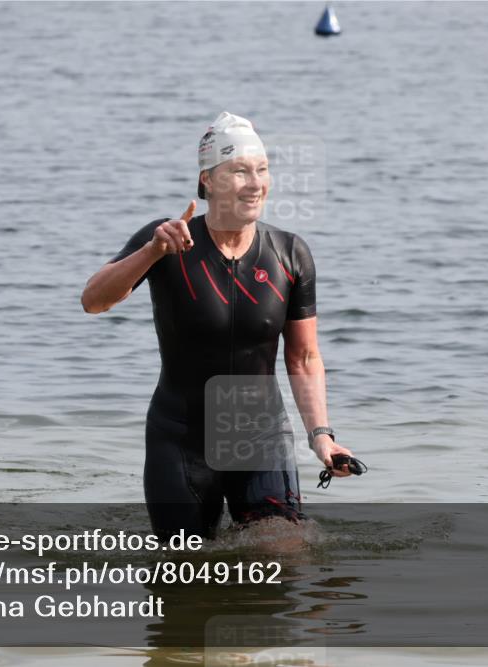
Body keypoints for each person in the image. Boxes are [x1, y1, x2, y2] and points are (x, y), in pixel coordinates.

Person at [81, 112, 356, 539]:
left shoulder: (289, 253)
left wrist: (321, 436)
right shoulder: (167, 240)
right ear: (207, 180)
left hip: (261, 436)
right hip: (180, 437)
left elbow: (303, 358)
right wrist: (152, 251)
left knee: (282, 550)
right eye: (239, 171)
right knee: (183, 566)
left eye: (262, 170)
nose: (255, 183)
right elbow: (93, 301)